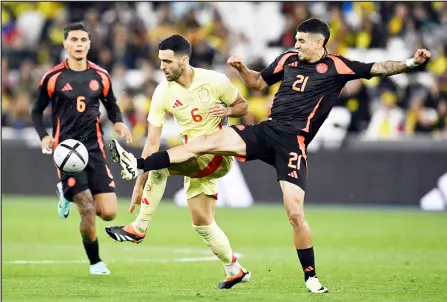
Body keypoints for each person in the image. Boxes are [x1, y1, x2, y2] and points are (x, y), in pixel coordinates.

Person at [110, 18, 431, 293]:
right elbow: (259, 84)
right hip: (267, 130)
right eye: (296, 40)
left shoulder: (337, 66)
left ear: (320, 42)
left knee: (294, 213)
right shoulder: (287, 60)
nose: (296, 45)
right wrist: (241, 69)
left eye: (302, 41)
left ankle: (311, 277)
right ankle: (138, 165)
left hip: (294, 144)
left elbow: (378, 67)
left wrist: (412, 63)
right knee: (203, 153)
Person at [105, 35, 251, 289]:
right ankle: (235, 270)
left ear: (184, 60)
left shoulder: (215, 80)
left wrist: (227, 111)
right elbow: (152, 144)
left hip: (217, 153)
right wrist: (140, 185)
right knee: (202, 223)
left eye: (167, 61)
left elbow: (243, 106)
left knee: (160, 165)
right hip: (190, 157)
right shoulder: (162, 93)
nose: (162, 66)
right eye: (160, 60)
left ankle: (139, 228)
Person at [31, 22, 132, 275]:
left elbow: (112, 104)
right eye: (74, 40)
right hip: (67, 153)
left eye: (83, 40)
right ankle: (96, 262)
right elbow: (36, 110)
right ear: (65, 43)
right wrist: (44, 136)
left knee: (108, 213)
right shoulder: (53, 77)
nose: (78, 45)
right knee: (87, 209)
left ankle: (66, 195)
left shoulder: (101, 75)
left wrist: (119, 121)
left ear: (89, 44)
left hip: (94, 150)